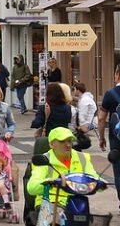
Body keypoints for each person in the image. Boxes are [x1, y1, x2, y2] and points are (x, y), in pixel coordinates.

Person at [26, 127, 99, 210]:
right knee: (57, 217)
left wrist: (99, 184)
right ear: (51, 144)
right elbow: (32, 188)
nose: (67, 145)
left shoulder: (82, 158)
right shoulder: (44, 160)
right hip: (49, 203)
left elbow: (94, 178)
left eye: (69, 141)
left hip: (76, 203)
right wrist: (52, 182)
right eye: (62, 141)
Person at [97, 64, 120, 203]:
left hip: (117, 141)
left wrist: (101, 138)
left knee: (118, 172)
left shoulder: (110, 94)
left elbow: (101, 118)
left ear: (117, 75)